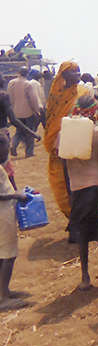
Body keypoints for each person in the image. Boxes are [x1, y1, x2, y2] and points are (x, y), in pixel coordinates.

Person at [58, 94, 98, 291]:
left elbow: (64, 168)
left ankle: (85, 277)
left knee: (82, 234)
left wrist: (69, 192)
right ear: (94, 110)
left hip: (78, 189)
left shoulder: (63, 136)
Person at [45, 61, 89, 218]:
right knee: (61, 182)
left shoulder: (83, 92)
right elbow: (50, 117)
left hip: (79, 144)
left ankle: (79, 217)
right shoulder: (56, 94)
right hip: (58, 144)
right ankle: (70, 215)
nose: (77, 74)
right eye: (73, 71)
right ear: (63, 75)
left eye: (78, 71)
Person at [0, 133, 28, 311]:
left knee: (3, 254)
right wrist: (15, 195)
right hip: (3, 215)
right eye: (6, 146)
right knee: (9, 254)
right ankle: (3, 298)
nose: (8, 149)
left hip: (4, 213)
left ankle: (4, 291)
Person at [0, 73, 41, 191]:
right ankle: (15, 195)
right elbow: (13, 120)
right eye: (2, 77)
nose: (4, 79)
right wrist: (33, 133)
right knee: (7, 170)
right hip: (2, 136)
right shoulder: (3, 96)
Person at [7, 68, 41, 158]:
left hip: (15, 111)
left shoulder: (11, 83)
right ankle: (29, 151)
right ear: (27, 74)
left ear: (19, 73)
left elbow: (9, 97)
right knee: (30, 131)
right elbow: (33, 99)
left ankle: (13, 145)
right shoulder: (28, 84)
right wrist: (36, 110)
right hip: (27, 111)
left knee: (19, 130)